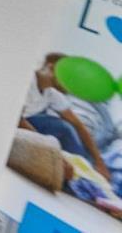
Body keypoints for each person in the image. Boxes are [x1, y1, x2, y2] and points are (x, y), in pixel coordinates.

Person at [20, 52, 113, 183]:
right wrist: (57, 158)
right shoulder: (27, 82)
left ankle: (87, 174)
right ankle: (78, 176)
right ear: (51, 68)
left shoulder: (51, 93)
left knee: (76, 134)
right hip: (21, 124)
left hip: (34, 124)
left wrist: (99, 161)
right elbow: (18, 120)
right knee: (62, 127)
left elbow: (78, 124)